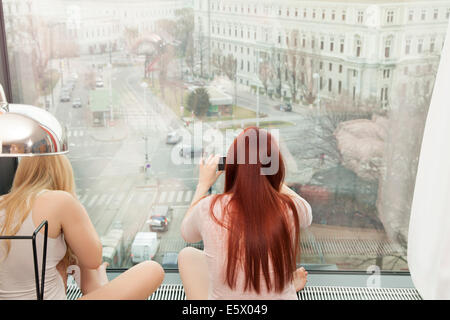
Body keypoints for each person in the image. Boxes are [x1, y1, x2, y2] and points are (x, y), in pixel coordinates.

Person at [0, 155, 164, 300]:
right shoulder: (60, 200)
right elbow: (94, 260)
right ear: (62, 173)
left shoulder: (2, 202)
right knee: (152, 269)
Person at [179, 127, 312, 300]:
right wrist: (266, 178)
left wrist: (203, 185)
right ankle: (286, 286)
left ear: (233, 167)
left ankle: (284, 285)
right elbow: (307, 213)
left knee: (187, 254)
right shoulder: (291, 208)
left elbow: (187, 234)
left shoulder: (209, 208)